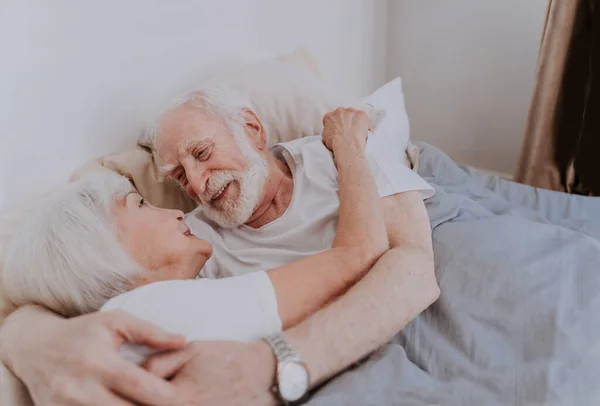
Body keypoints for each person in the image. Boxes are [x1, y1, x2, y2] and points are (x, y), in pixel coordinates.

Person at [0, 88, 440, 405]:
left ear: (252, 129)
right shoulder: (193, 245)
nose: (195, 185)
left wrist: (348, 150)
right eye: (177, 177)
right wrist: (28, 339)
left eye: (203, 153)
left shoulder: (339, 153)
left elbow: (412, 269)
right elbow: (69, 279)